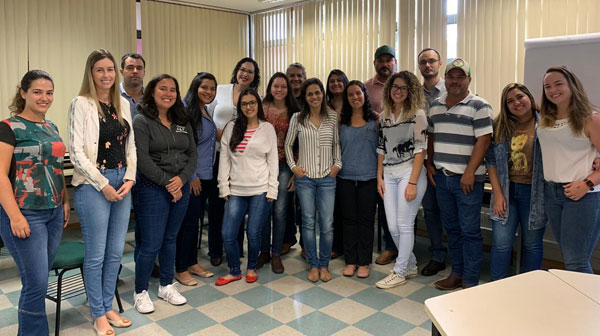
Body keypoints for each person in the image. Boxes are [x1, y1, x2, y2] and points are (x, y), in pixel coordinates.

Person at [69, 49, 136, 334]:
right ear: (91, 73)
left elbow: (130, 146)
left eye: (110, 69)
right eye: (100, 69)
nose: (106, 74)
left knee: (115, 253)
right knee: (96, 255)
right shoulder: (81, 103)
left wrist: (130, 178)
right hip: (93, 185)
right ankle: (97, 313)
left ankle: (108, 305)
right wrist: (104, 184)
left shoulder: (122, 104)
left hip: (123, 181)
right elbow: (76, 153)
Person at [0, 70, 69, 336]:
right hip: (26, 213)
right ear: (23, 93)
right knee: (36, 282)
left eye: (49, 92)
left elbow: (57, 168)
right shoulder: (8, 127)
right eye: (37, 92)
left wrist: (63, 200)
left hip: (52, 212)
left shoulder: (51, 127)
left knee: (39, 280)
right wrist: (16, 217)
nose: (44, 98)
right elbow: (1, 176)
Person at [132, 74, 197, 313]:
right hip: (151, 189)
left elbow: (193, 155)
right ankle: (140, 291)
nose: (168, 93)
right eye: (163, 89)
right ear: (152, 92)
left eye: (172, 89)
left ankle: (166, 285)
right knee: (151, 243)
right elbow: (143, 158)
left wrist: (181, 180)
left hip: (181, 187)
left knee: (170, 239)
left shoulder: (183, 120)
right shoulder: (141, 120)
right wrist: (169, 183)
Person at [428, 58, 493, 290]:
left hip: (467, 180)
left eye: (460, 77)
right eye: (451, 77)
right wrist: (429, 164)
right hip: (443, 178)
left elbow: (484, 141)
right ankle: (456, 273)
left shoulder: (480, 105)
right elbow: (432, 136)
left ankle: (470, 281)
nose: (455, 81)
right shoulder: (435, 105)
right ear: (445, 79)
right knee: (452, 230)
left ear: (469, 80)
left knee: (470, 232)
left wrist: (469, 172)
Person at [538, 66, 600, 273]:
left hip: (582, 195)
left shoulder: (590, 119)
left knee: (576, 262)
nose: (552, 90)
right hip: (552, 194)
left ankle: (589, 305)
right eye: (547, 86)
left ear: (571, 86)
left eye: (558, 84)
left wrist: (588, 183)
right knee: (571, 258)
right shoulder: (545, 120)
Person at [216, 89, 278, 285]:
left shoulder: (267, 128)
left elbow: (273, 161)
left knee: (253, 233)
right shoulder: (231, 127)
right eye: (244, 104)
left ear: (258, 105)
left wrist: (272, 189)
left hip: (260, 189)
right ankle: (234, 270)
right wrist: (223, 187)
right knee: (228, 234)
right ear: (239, 107)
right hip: (236, 190)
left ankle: (251, 266)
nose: (249, 107)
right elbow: (224, 159)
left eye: (252, 102)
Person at [486, 83, 546, 281]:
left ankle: (528, 289)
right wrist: (498, 194)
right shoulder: (501, 125)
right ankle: (497, 288)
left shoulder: (545, 124)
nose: (516, 103)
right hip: (506, 191)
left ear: (529, 96)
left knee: (532, 244)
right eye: (510, 101)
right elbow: (491, 160)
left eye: (520, 97)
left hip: (535, 194)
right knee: (501, 244)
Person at [374, 72, 428, 289]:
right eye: (395, 87)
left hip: (409, 173)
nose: (398, 91)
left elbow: (421, 150)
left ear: (411, 91)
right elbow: (381, 148)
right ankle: (411, 264)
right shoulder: (384, 115)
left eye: (403, 88)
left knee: (405, 225)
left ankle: (399, 271)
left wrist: (413, 182)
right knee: (393, 226)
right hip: (389, 174)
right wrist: (379, 176)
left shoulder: (418, 114)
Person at [285, 78, 342, 283]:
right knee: (308, 222)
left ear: (322, 94)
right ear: (306, 97)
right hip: (305, 178)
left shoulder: (333, 117)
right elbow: (288, 145)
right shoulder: (297, 119)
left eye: (317, 92)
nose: (314, 97)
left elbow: (336, 144)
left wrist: (338, 165)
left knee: (326, 223)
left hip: (328, 177)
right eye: (310, 94)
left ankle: (324, 264)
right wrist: (294, 167)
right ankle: (313, 264)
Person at [207, 57, 260, 265]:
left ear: (255, 77)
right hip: (217, 154)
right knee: (217, 206)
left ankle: (236, 250)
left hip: (240, 157)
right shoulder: (219, 90)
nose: (245, 74)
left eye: (250, 72)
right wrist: (217, 134)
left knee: (237, 204)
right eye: (242, 69)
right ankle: (215, 251)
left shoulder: (255, 97)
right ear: (236, 71)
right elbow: (205, 118)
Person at [174, 72, 219, 286]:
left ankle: (191, 262)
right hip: (193, 177)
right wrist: (191, 176)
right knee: (188, 224)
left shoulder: (206, 110)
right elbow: (183, 147)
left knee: (195, 222)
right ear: (195, 87)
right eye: (204, 87)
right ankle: (181, 268)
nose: (208, 92)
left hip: (206, 176)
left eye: (212, 88)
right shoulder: (185, 111)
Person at [257, 73, 299, 273]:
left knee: (280, 210)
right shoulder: (261, 108)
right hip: (262, 166)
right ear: (270, 87)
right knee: (264, 209)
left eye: (283, 86)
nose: (279, 90)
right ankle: (263, 252)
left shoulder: (295, 112)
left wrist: (295, 172)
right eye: (276, 86)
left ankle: (275, 254)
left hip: (285, 166)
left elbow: (301, 143)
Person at [338, 80, 378, 278]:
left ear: (365, 95)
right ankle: (350, 260)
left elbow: (381, 151)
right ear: (347, 98)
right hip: (345, 177)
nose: (355, 97)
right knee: (349, 220)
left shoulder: (376, 121)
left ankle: (364, 262)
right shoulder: (341, 122)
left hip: (369, 178)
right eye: (351, 94)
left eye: (358, 93)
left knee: (366, 221)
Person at [365, 45, 398, 265]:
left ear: (395, 62)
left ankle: (394, 246)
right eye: (381, 60)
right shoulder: (366, 88)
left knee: (395, 205)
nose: (385, 64)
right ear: (375, 63)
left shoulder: (403, 85)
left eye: (389, 60)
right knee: (379, 202)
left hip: (398, 155)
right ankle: (386, 246)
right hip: (373, 154)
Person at [417, 48, 448, 276]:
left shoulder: (452, 90)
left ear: (440, 64)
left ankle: (458, 257)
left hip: (448, 160)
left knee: (451, 213)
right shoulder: (414, 94)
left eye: (431, 61)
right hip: (422, 161)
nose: (428, 66)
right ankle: (437, 255)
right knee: (430, 211)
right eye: (423, 62)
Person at [119, 53, 146, 118]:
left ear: (144, 72)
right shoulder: (112, 95)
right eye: (130, 68)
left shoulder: (152, 97)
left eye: (139, 68)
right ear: (121, 71)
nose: (135, 71)